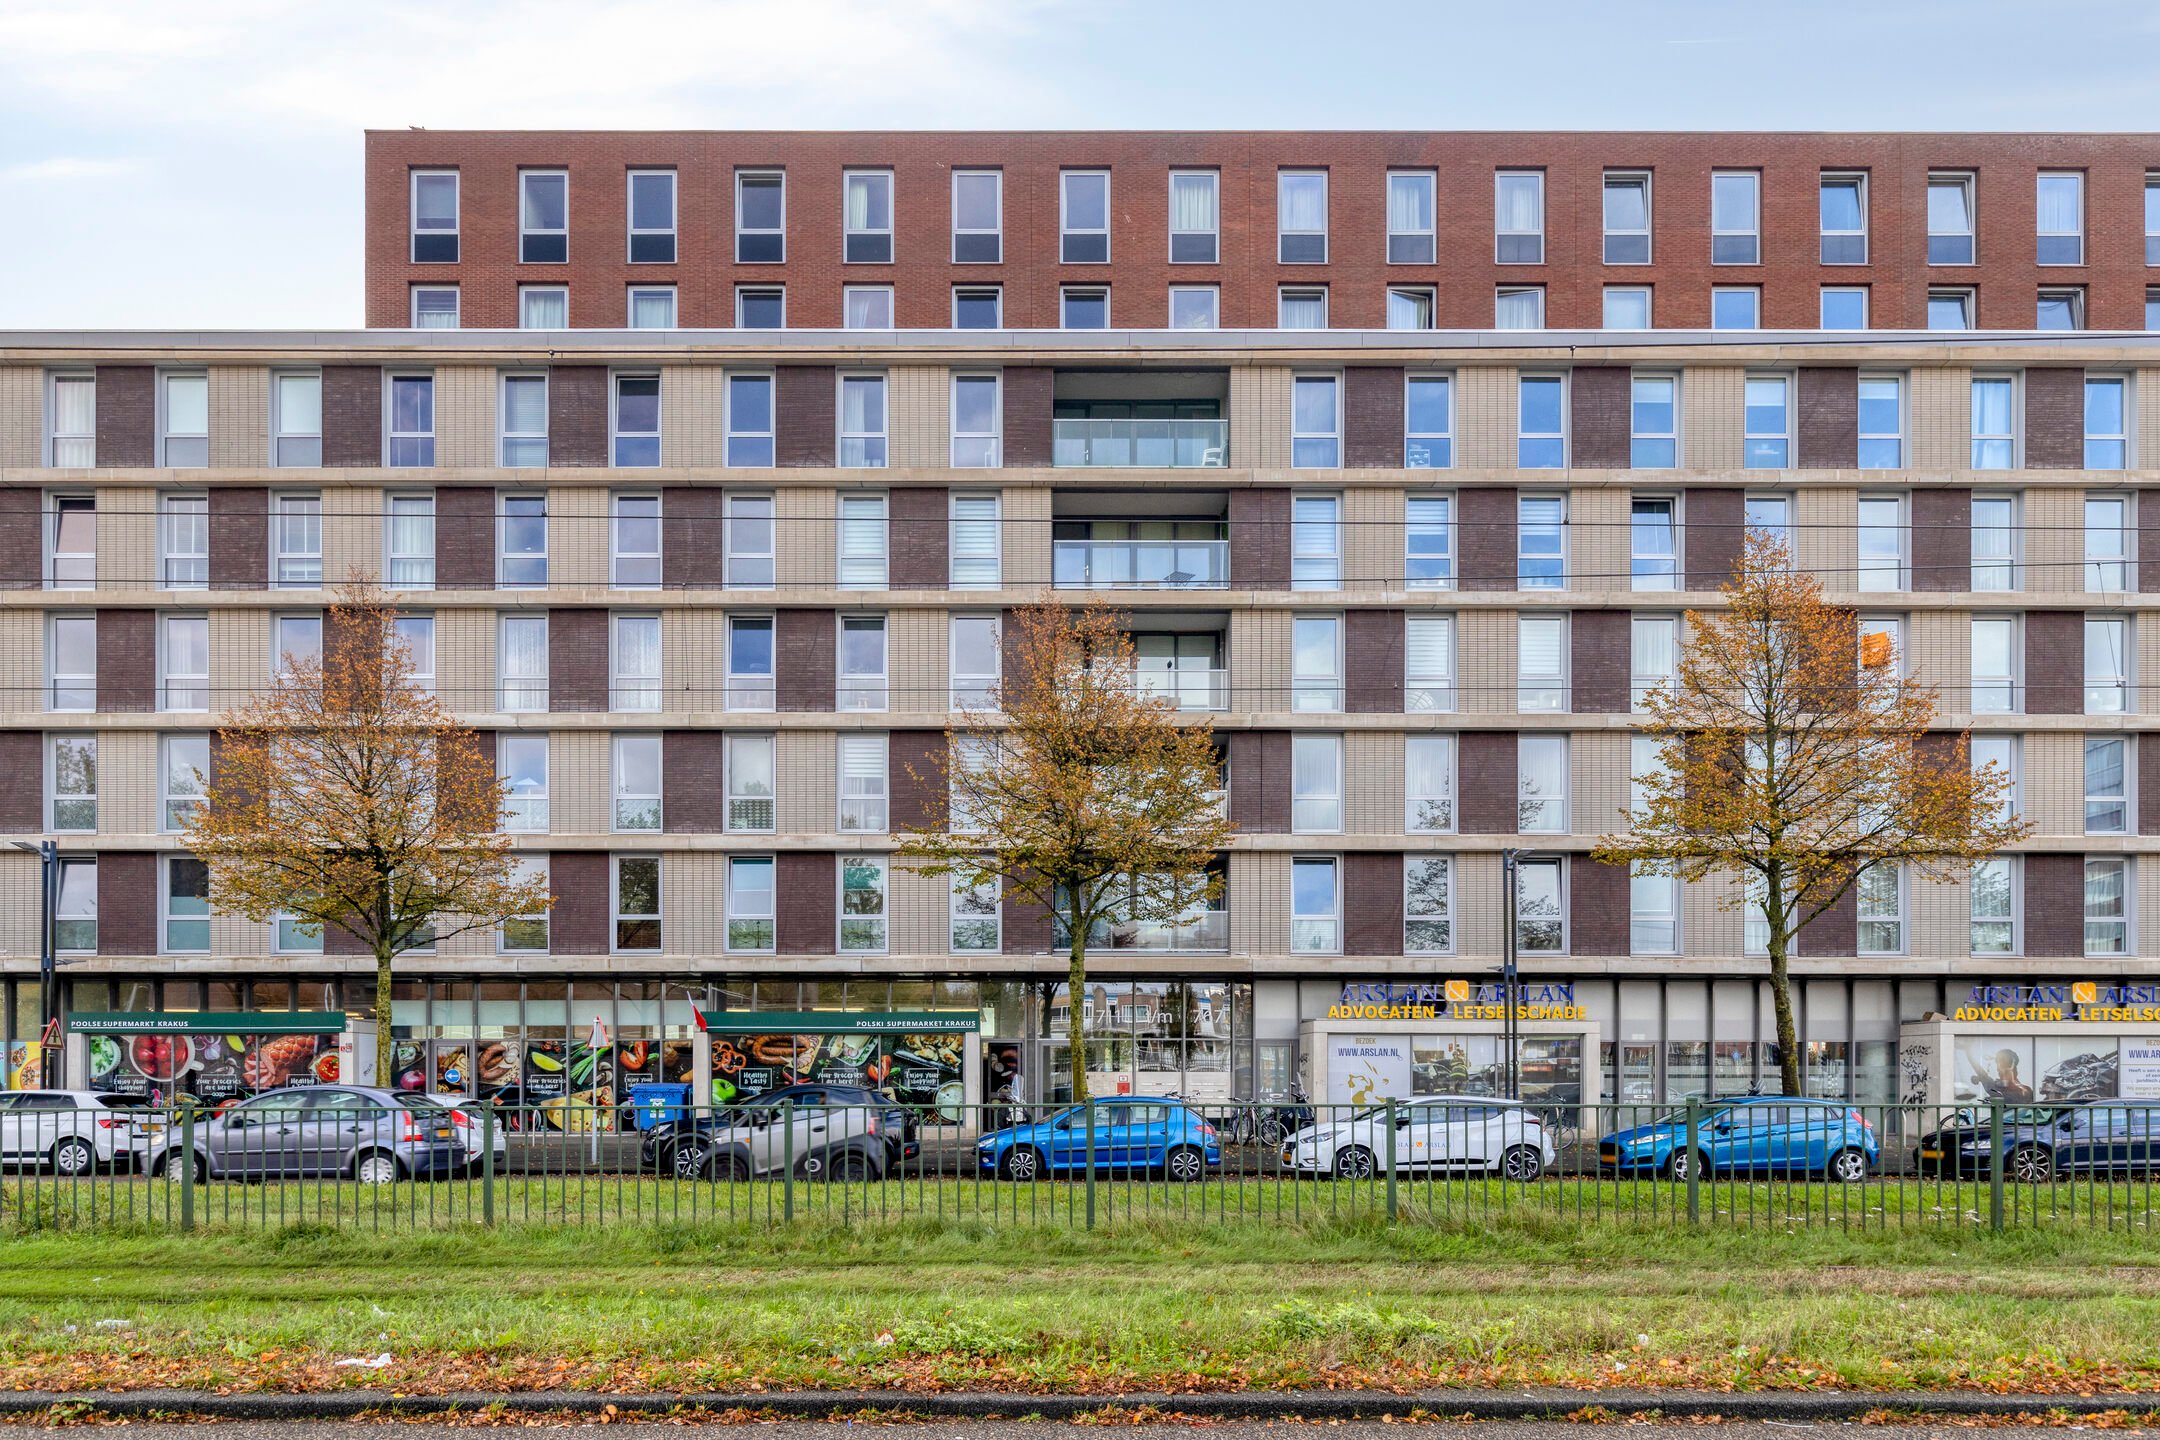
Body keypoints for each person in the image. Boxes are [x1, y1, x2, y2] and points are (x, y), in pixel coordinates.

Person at [1970, 1047, 2034, 1103]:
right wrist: (1968, 1052)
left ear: (2012, 1064)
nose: (1999, 1068)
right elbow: (1983, 1074)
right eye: (1998, 1063)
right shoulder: (1996, 1087)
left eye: (2003, 1062)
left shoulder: (2026, 1091)